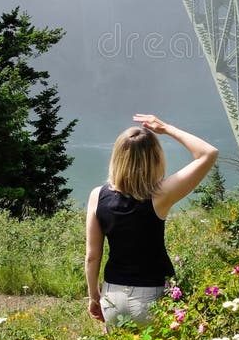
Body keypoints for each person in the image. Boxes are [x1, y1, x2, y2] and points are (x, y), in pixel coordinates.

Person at [85, 113, 219, 327]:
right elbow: (208, 153)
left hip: (113, 296)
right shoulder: (160, 195)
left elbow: (93, 256)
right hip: (152, 298)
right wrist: (166, 128)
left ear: (117, 157)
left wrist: (94, 296)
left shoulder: (97, 196)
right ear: (155, 158)